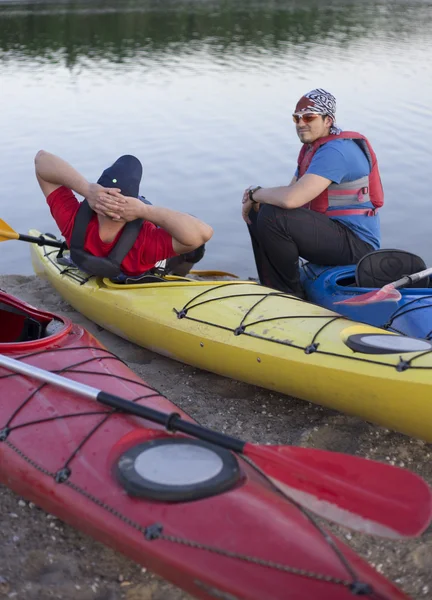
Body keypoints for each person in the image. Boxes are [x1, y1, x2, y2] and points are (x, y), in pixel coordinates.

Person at [241, 88, 384, 298]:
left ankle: (290, 295)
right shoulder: (314, 148)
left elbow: (291, 200)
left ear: (328, 120)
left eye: (309, 117)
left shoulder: (336, 151)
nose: (300, 124)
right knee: (262, 209)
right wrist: (257, 200)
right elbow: (291, 193)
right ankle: (273, 285)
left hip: (357, 244)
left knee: (273, 215)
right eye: (296, 118)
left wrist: (254, 193)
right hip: (335, 234)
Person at [35, 150, 213, 281]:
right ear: (132, 204)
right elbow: (203, 233)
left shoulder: (71, 219)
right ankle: (177, 275)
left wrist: (86, 188)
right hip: (140, 268)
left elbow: (41, 159)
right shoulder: (145, 240)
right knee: (192, 242)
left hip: (86, 258)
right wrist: (146, 211)